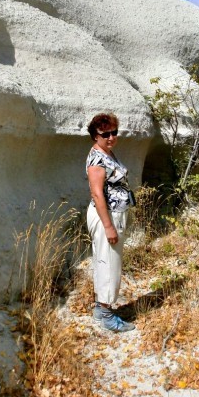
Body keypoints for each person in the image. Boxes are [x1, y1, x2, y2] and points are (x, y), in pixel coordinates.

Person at [86, 112, 135, 333]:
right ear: (95, 135)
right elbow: (97, 194)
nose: (111, 137)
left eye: (114, 132)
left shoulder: (107, 153)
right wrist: (108, 226)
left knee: (105, 261)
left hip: (114, 213)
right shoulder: (97, 158)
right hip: (106, 216)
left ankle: (100, 307)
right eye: (105, 134)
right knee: (109, 263)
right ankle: (107, 315)